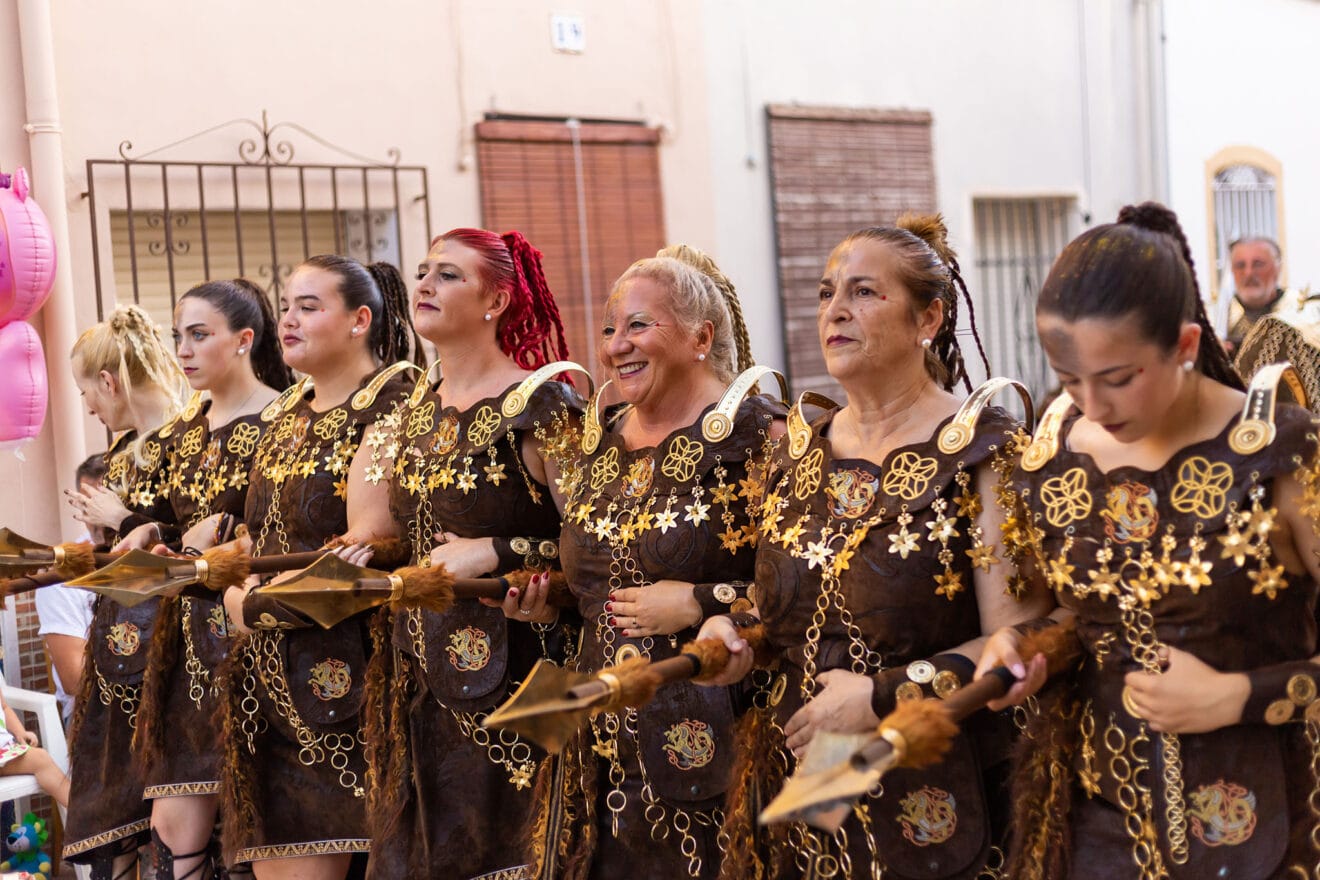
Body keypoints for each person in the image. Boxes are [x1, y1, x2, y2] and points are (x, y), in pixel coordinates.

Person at [697, 216, 1053, 879]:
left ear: (929, 318)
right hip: (805, 799)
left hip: (941, 805)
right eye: (828, 292)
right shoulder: (799, 450)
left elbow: (1023, 639)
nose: (836, 310)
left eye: (864, 293)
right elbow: (781, 610)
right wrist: (738, 634)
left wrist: (884, 695)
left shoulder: (984, 450)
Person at [977, 202, 1320, 879]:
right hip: (1099, 828)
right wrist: (1026, 646)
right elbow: (1078, 614)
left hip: (1274, 826)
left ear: (1186, 347)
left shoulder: (1282, 450)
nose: (1094, 407)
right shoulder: (1053, 456)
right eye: (1070, 380)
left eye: (1118, 379)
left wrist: (1239, 696)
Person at [528, 248, 784, 880]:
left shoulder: (766, 436)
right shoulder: (599, 439)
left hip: (723, 739)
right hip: (600, 745)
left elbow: (816, 590)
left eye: (639, 325)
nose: (617, 345)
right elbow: (601, 577)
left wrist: (702, 601)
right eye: (612, 329)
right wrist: (541, 593)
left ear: (701, 336)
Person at [349, 228, 582, 879]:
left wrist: (499, 550)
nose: (422, 284)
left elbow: (602, 547)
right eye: (421, 271)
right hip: (414, 682)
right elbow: (382, 530)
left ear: (497, 301)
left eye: (447, 274)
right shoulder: (408, 415)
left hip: (524, 681)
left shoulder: (543, 406)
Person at [218, 255, 417, 880]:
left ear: (360, 320)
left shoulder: (393, 402)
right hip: (267, 675)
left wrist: (250, 605)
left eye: (309, 306)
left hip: (349, 679)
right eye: (286, 306)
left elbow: (369, 546)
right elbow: (263, 529)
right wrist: (234, 571)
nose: (289, 319)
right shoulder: (284, 413)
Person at [130, 278, 292, 880]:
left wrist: (225, 532)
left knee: (255, 816)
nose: (184, 351)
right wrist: (149, 533)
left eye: (199, 335)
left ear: (244, 340)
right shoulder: (180, 432)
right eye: (179, 337)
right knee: (174, 824)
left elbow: (294, 526)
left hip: (249, 633)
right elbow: (170, 525)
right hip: (183, 640)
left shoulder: (284, 420)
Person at [63, 304, 192, 878]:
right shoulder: (122, 451)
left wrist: (123, 518)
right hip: (120, 644)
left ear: (110, 382)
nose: (89, 406)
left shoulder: (185, 437)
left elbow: (197, 534)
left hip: (168, 645)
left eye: (88, 393)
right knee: (119, 801)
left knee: (173, 815)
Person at [36, 454, 104, 726]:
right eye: (90, 506)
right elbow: (75, 680)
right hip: (91, 716)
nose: (100, 519)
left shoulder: (153, 555)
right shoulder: (61, 574)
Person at [1224, 236, 1301, 353]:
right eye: (1240, 265)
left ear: (1278, 267)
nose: (1248, 273)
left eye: (1258, 264)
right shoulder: (1216, 318)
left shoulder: (1301, 311)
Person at [0, 686, 70, 807]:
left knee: (41, 758)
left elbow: (4, 708)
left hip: (5, 752)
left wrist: (20, 732)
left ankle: (81, 813)